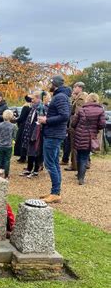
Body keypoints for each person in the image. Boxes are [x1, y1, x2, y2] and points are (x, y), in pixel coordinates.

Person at [38, 75, 70, 203]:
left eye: (51, 83)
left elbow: (64, 116)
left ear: (55, 84)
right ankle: (55, 191)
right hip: (54, 133)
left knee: (50, 163)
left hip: (53, 134)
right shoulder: (61, 96)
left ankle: (55, 193)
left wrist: (47, 120)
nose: (49, 85)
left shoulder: (60, 97)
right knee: (54, 163)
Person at [71, 93, 106, 185]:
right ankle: (81, 178)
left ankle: (79, 175)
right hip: (91, 136)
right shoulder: (100, 110)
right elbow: (102, 125)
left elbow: (73, 123)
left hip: (79, 135)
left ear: (88, 99)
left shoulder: (82, 109)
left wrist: (78, 127)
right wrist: (95, 128)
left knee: (79, 155)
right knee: (84, 157)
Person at [20, 91, 46, 178]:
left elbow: (40, 123)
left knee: (36, 151)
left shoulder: (40, 108)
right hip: (30, 131)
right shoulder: (33, 107)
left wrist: (34, 134)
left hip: (36, 133)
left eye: (33, 98)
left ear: (38, 98)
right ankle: (29, 169)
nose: (32, 100)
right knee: (30, 151)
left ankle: (35, 170)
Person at [65, 81, 88, 172]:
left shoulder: (81, 98)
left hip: (77, 125)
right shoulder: (79, 97)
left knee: (74, 145)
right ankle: (82, 164)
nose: (74, 89)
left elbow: (78, 113)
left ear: (80, 88)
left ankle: (74, 165)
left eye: (75, 87)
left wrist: (73, 125)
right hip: (80, 125)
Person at [0, 109, 16, 179]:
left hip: (0, 144)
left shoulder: (0, 125)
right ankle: (6, 174)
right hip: (8, 145)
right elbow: (14, 136)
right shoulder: (13, 126)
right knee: (7, 160)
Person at [13, 95, 32, 163]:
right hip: (29, 125)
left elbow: (21, 118)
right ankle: (24, 156)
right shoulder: (32, 107)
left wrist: (15, 119)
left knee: (21, 140)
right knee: (26, 141)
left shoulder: (25, 107)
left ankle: (22, 156)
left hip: (23, 126)